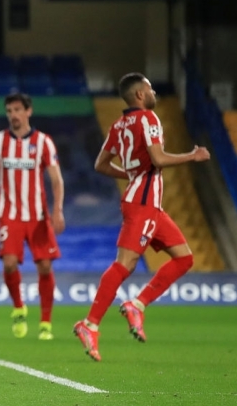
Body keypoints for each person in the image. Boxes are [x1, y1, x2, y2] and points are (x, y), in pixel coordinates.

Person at [73, 72, 210, 361]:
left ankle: (137, 304)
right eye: (149, 88)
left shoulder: (118, 125)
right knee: (125, 265)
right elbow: (158, 159)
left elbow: (101, 164)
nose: (153, 92)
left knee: (184, 258)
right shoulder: (148, 119)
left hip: (149, 205)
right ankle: (90, 324)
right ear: (139, 95)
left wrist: (131, 174)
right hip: (142, 204)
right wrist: (191, 156)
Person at [0, 92, 65, 341]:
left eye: (17, 110)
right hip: (9, 215)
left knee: (45, 266)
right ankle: (18, 308)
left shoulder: (44, 142)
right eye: (9, 111)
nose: (13, 115)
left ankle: (45, 322)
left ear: (28, 111)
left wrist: (58, 210)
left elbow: (56, 179)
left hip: (37, 215)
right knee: (9, 262)